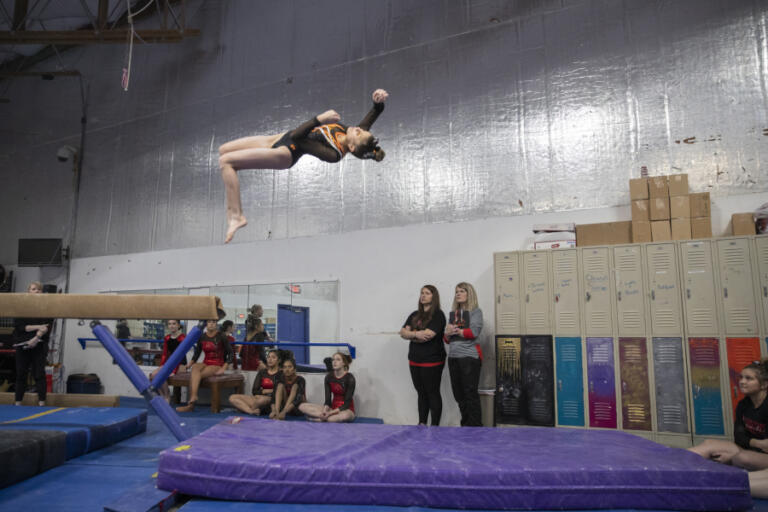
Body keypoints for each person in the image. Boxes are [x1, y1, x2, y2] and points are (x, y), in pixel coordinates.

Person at [218, 88, 389, 243]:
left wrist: (319, 119)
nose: (358, 128)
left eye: (359, 132)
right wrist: (378, 102)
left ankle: (236, 216)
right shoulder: (351, 132)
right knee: (223, 150)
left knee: (226, 162)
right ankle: (235, 215)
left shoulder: (333, 154)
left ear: (351, 147)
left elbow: (298, 136)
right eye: (362, 129)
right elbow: (372, 115)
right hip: (280, 138)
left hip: (286, 153)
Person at [689, 360, 768, 473]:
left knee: (741, 458)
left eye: (749, 378)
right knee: (709, 443)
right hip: (750, 450)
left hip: (759, 456)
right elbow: (739, 437)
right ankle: (672, 460)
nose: (742, 382)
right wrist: (756, 443)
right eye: (741, 377)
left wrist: (741, 449)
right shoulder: (743, 405)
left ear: (764, 384)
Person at [399, 285, 446, 426]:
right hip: (414, 359)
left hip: (432, 360)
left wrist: (411, 334)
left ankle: (435, 426)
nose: (423, 295)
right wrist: (416, 334)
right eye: (422, 293)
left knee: (432, 392)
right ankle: (422, 423)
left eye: (427, 293)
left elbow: (428, 336)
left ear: (434, 296)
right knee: (421, 393)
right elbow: (402, 332)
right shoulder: (415, 314)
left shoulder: (438, 314)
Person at [444, 282, 484, 427]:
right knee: (458, 394)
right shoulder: (454, 314)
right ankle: (466, 425)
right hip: (453, 357)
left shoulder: (476, 312)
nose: (458, 294)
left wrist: (456, 330)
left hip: (469, 357)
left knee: (470, 393)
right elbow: (447, 340)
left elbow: (473, 332)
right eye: (456, 291)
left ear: (469, 294)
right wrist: (447, 333)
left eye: (461, 291)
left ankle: (475, 427)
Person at [176, 319, 233, 412]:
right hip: (206, 362)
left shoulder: (221, 336)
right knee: (195, 368)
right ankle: (193, 396)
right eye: (209, 322)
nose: (211, 324)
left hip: (217, 364)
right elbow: (197, 353)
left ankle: (190, 405)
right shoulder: (202, 337)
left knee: (195, 376)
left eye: (214, 322)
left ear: (216, 324)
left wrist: (224, 368)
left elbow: (230, 353)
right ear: (206, 324)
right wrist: (189, 365)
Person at [13, 281, 51, 406]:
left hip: (39, 344)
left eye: (39, 289)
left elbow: (46, 327)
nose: (36, 291)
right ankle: (18, 402)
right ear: (28, 292)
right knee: (21, 373)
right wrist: (38, 326)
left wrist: (35, 339)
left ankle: (41, 402)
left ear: (42, 292)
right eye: (34, 289)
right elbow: (21, 327)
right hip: (22, 344)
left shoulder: (47, 307)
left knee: (39, 374)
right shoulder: (21, 307)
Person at [299, 352, 356, 422]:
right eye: (333, 360)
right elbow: (327, 401)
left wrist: (329, 413)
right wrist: (325, 411)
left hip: (346, 410)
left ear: (344, 363)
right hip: (332, 408)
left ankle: (319, 419)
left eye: (338, 360)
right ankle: (324, 417)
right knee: (302, 406)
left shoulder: (350, 378)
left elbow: (347, 404)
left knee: (345, 416)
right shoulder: (329, 377)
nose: (334, 362)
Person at [229, 349, 281, 415]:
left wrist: (264, 392)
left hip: (270, 401)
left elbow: (279, 392)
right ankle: (251, 411)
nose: (270, 359)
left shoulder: (281, 374)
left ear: (278, 360)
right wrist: (265, 391)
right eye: (268, 357)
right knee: (232, 397)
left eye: (273, 357)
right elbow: (254, 391)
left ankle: (246, 408)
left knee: (262, 400)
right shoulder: (262, 372)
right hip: (257, 398)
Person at [149, 320, 186, 401]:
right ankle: (162, 395)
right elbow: (165, 354)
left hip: (180, 364)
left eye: (174, 324)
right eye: (169, 324)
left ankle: (167, 395)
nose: (171, 326)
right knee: (153, 375)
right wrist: (162, 365)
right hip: (170, 363)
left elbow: (180, 355)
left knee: (162, 374)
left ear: (178, 325)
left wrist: (174, 370)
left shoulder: (182, 337)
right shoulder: (167, 338)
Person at [241, 305, 269, 371]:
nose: (262, 311)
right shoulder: (259, 335)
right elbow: (261, 351)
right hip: (254, 363)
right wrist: (265, 362)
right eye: (262, 325)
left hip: (246, 363)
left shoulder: (247, 337)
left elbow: (242, 354)